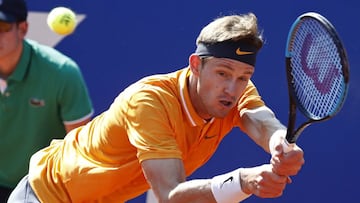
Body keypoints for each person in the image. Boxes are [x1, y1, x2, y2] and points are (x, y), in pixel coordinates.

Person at [8, 12, 304, 203]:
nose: (232, 88)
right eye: (223, 73)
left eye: (243, 77)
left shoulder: (237, 93)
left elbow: (259, 119)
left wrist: (278, 141)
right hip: (45, 194)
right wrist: (243, 181)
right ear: (196, 65)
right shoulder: (149, 102)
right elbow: (171, 196)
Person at [0, 0, 94, 201]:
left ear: (23, 29)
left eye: (3, 27)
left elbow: (79, 150)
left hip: (41, 189)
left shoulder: (62, 73)